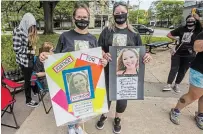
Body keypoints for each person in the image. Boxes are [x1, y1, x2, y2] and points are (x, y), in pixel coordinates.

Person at [39, 3, 108, 134]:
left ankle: (78, 126)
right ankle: (71, 127)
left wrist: (103, 62)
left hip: (86, 78)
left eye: (85, 17)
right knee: (70, 103)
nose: (82, 20)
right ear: (73, 18)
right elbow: (56, 56)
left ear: (88, 18)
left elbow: (97, 60)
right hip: (69, 79)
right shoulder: (65, 36)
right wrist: (45, 55)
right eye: (79, 17)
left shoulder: (93, 39)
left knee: (83, 104)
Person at [95, 1, 152, 134]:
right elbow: (99, 48)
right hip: (108, 71)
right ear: (113, 15)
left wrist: (147, 56)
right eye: (117, 13)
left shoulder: (134, 33)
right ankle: (103, 115)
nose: (120, 15)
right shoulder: (107, 31)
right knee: (107, 97)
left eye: (122, 12)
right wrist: (104, 54)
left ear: (127, 13)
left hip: (127, 74)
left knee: (122, 98)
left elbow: (141, 52)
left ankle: (117, 119)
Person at [169, 31, 203, 130]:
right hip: (200, 70)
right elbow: (196, 48)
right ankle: (176, 110)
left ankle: (200, 115)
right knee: (194, 95)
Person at [163, 13, 202, 93]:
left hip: (190, 54)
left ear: (195, 21)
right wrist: (176, 39)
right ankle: (169, 84)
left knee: (183, 70)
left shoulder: (198, 30)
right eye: (188, 20)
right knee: (174, 69)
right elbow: (169, 34)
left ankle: (176, 85)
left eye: (192, 20)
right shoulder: (181, 29)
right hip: (177, 52)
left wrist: (198, 18)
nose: (190, 21)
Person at [13, 13, 39, 107]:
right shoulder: (18, 31)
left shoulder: (28, 31)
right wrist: (29, 51)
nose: (32, 29)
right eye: (30, 26)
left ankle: (36, 90)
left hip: (30, 58)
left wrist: (32, 49)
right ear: (26, 23)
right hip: (24, 61)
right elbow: (16, 49)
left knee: (33, 74)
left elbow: (28, 44)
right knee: (27, 80)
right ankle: (28, 100)